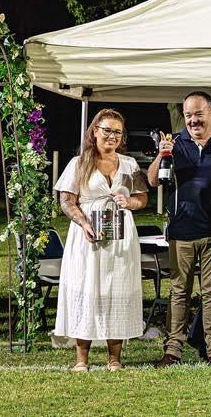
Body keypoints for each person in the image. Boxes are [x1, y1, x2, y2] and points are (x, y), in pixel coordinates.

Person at [149, 91, 211, 368]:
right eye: (188, 115)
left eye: (199, 114)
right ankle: (173, 351)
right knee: (179, 291)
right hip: (181, 232)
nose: (193, 120)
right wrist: (161, 155)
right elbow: (153, 181)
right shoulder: (174, 143)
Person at [53, 109, 148, 372]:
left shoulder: (129, 164)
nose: (112, 136)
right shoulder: (79, 163)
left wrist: (129, 202)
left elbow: (142, 197)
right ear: (95, 130)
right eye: (107, 130)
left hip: (120, 237)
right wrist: (83, 222)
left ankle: (114, 358)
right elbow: (66, 200)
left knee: (117, 288)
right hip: (88, 236)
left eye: (117, 132)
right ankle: (81, 359)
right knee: (86, 287)